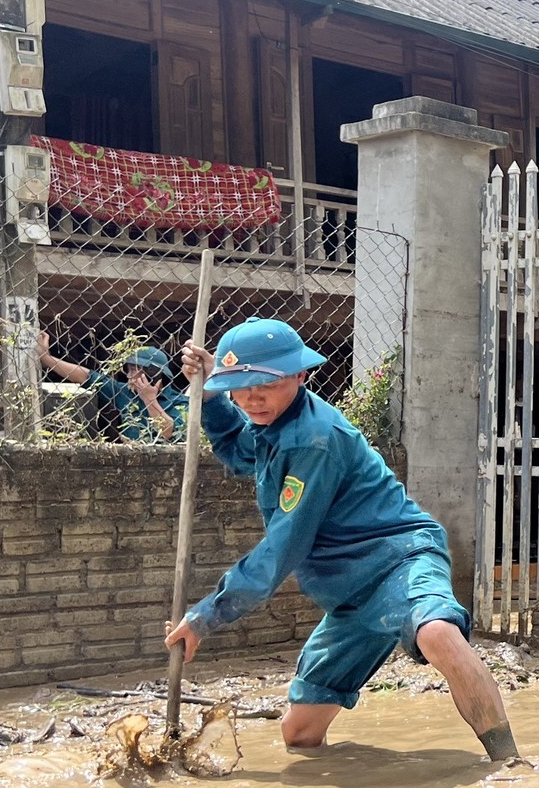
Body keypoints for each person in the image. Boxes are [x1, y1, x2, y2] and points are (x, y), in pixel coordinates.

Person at [164, 317, 519, 758]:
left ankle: (508, 762)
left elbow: (283, 547)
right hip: (349, 598)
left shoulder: (315, 439)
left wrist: (206, 616)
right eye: (240, 386)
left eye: (264, 384)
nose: (252, 398)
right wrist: (214, 396)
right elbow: (240, 452)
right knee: (299, 734)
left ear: (300, 375)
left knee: (437, 632)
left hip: (398, 560)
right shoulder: (272, 421)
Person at [36, 333, 187, 443]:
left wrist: (150, 400)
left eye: (135, 370)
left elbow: (168, 433)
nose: (129, 376)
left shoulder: (180, 402)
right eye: (129, 369)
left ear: (152, 373)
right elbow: (87, 376)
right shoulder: (125, 393)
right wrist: (47, 359)